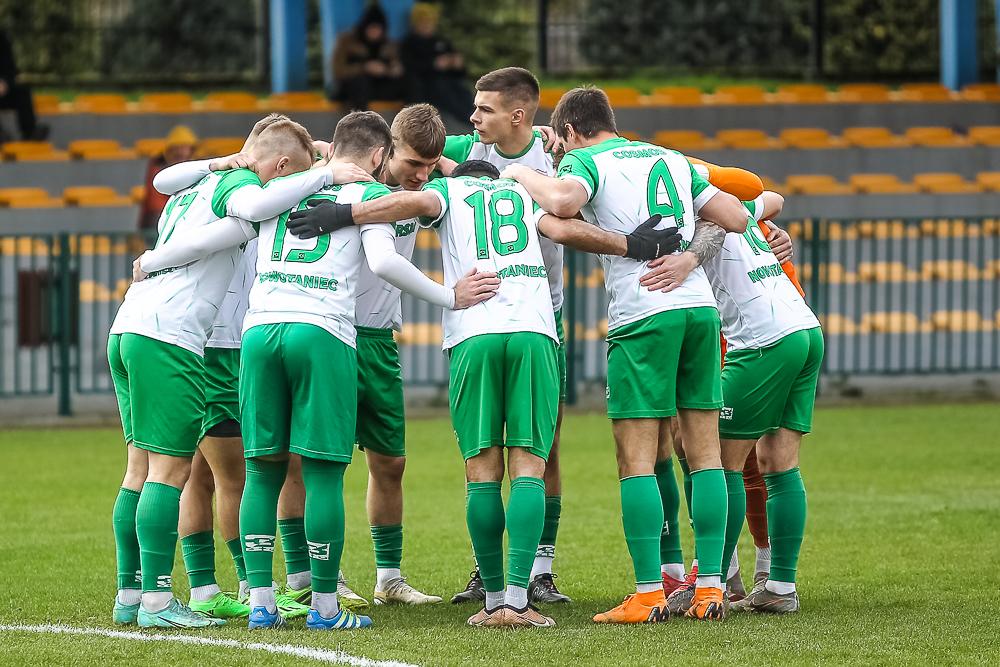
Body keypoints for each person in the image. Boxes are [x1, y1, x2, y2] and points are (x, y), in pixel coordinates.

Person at [287, 158, 684, 628]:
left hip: (474, 332)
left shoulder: (449, 192)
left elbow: (408, 202)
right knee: (529, 468)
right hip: (533, 332)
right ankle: (518, 600)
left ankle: (493, 602)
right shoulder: (523, 193)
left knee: (481, 471)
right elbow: (565, 230)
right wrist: (633, 244)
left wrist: (342, 214)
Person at [502, 86, 750, 623]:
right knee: (704, 453)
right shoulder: (669, 157)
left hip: (644, 312)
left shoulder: (588, 160)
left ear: (570, 131)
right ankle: (710, 589)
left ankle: (648, 593)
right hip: (698, 309)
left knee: (635, 458)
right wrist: (689, 256)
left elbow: (562, 202)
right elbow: (734, 214)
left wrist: (520, 172)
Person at [109, 116, 341, 630]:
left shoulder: (197, 182)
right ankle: (156, 601)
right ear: (280, 166)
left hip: (129, 326)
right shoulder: (240, 186)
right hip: (168, 334)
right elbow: (253, 209)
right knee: (171, 472)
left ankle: (130, 593)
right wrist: (326, 174)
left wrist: (155, 257)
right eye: (292, 176)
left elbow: (167, 187)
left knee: (138, 470)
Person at [274, 104, 497, 611]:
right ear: (384, 150)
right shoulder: (342, 183)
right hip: (327, 330)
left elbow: (474, 162)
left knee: (390, 461)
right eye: (414, 163)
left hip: (377, 340)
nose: (422, 175)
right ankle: (309, 575)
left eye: (431, 166)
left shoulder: (419, 192)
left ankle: (389, 577)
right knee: (305, 461)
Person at [439, 66, 573, 607]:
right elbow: (396, 146)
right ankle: (489, 570)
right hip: (494, 314)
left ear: (519, 115)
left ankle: (540, 567)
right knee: (488, 449)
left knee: (544, 445)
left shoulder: (559, 156)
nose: (472, 117)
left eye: (484, 109)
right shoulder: (462, 148)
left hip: (542, 311)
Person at [400, 3, 473, 122]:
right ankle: (468, 120)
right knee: (443, 89)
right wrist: (433, 64)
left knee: (463, 90)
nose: (427, 25)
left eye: (430, 21)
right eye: (423, 22)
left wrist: (457, 65)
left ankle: (474, 116)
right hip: (427, 84)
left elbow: (460, 72)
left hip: (449, 81)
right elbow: (409, 67)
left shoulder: (441, 41)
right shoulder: (409, 43)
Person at [332, 3, 404, 110]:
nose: (375, 32)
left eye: (378, 28)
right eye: (372, 28)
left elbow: (397, 67)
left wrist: (389, 70)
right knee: (360, 83)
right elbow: (338, 71)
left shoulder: (389, 45)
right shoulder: (347, 42)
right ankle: (361, 118)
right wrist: (364, 68)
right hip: (353, 88)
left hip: (379, 87)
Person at [138, 126, 198, 235]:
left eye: (184, 148)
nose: (181, 153)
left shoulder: (197, 169)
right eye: (177, 149)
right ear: (169, 151)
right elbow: (155, 202)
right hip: (160, 219)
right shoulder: (157, 169)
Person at [0, 29, 48, 142]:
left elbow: (10, 68)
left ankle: (30, 133)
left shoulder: (1, 38)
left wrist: (5, 82)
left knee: (22, 92)